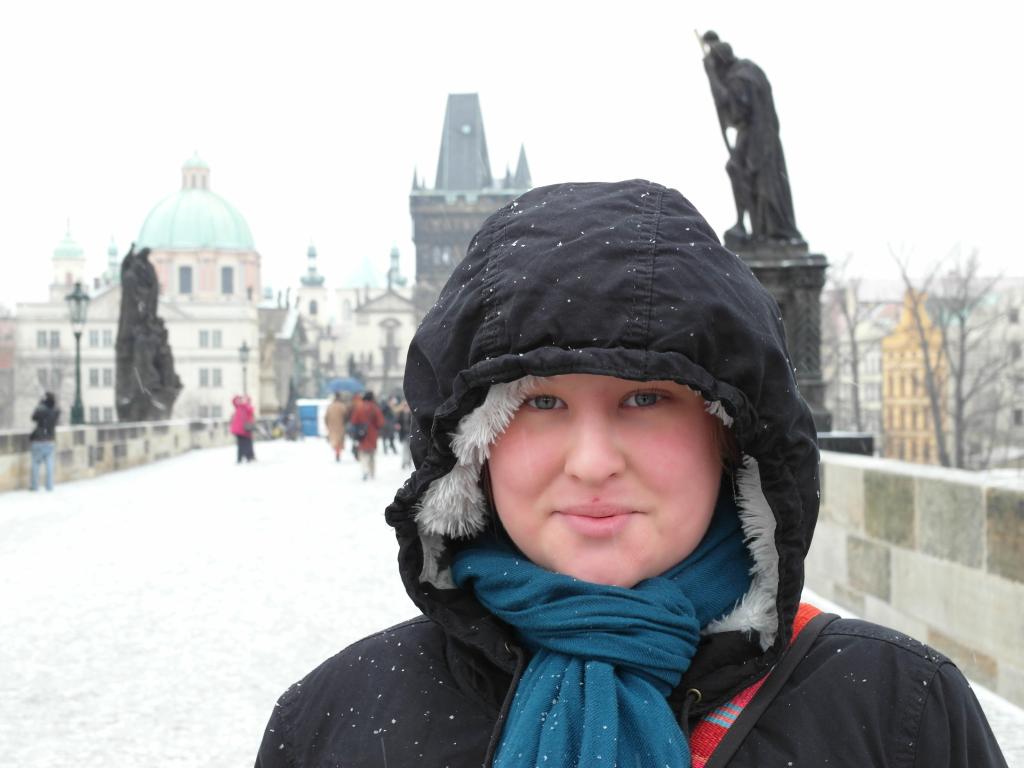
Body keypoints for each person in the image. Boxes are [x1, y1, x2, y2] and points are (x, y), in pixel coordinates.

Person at [254, 181, 1007, 767]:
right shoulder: (333, 725)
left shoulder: (899, 714)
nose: (591, 463)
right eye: (541, 402)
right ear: (471, 449)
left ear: (729, 433)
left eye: (645, 399)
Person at [701, 30, 802, 246]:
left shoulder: (740, 76)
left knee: (753, 178)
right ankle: (753, 227)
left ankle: (763, 229)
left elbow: (737, 111)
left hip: (758, 138)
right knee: (738, 170)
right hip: (757, 135)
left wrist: (712, 76)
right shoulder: (746, 71)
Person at [347, 390, 385, 481]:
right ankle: (372, 472)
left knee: (363, 454)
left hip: (362, 435)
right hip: (372, 435)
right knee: (371, 454)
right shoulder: (375, 408)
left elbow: (353, 421)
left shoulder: (359, 408)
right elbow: (381, 423)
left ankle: (364, 470)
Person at [29, 392, 60, 491]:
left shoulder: (41, 409)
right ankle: (49, 486)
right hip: (50, 440)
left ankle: (35, 486)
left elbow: (33, 417)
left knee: (35, 464)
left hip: (38, 440)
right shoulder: (55, 410)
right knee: (49, 465)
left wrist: (40, 404)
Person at [323, 391, 348, 462]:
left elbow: (326, 417)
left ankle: (337, 453)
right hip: (340, 426)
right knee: (339, 441)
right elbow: (346, 416)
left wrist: (327, 425)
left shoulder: (330, 406)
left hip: (332, 426)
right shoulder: (342, 406)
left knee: (334, 440)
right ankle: (338, 453)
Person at [230, 395, 256, 463]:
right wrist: (238, 397)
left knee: (247, 444)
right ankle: (240, 458)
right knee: (241, 444)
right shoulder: (239, 407)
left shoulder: (247, 407)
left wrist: (246, 403)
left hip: (246, 429)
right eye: (242, 399)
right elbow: (234, 401)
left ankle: (248, 457)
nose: (242, 401)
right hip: (239, 430)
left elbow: (251, 411)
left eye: (244, 399)